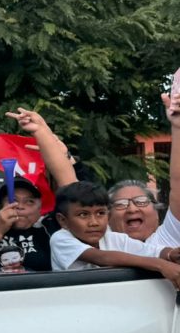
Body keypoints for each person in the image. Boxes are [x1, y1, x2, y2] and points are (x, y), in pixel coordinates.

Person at [49, 181, 180, 288]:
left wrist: (171, 254)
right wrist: (161, 265)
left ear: (109, 215)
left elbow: (150, 251)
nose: (94, 222)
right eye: (83, 215)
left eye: (100, 213)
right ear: (63, 221)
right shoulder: (61, 239)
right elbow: (102, 258)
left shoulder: (115, 238)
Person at [0, 109, 77, 271]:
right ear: (0, 204)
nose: (20, 206)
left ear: (40, 208)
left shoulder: (50, 228)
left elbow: (76, 194)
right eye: (13, 199)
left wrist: (62, 155)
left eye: (29, 201)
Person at [107, 92, 180, 247]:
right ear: (107, 216)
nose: (132, 209)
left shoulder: (167, 238)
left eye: (141, 201)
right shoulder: (103, 246)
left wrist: (177, 127)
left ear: (157, 212)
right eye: (120, 204)